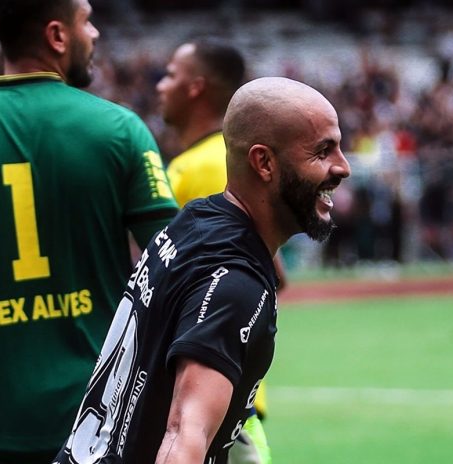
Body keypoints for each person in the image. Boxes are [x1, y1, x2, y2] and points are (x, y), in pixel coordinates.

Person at [0, 0, 178, 462]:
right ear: (57, 36)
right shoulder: (121, 131)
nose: (97, 33)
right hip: (105, 433)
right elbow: (177, 270)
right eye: (87, 20)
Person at [54, 76, 351, 463]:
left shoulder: (195, 221)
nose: (342, 167)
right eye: (322, 151)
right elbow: (184, 435)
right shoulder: (236, 285)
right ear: (264, 162)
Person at [156, 38, 276, 464]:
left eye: (170, 74)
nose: (159, 85)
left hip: (204, 400)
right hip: (230, 393)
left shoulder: (199, 168)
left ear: (196, 87)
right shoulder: (218, 160)